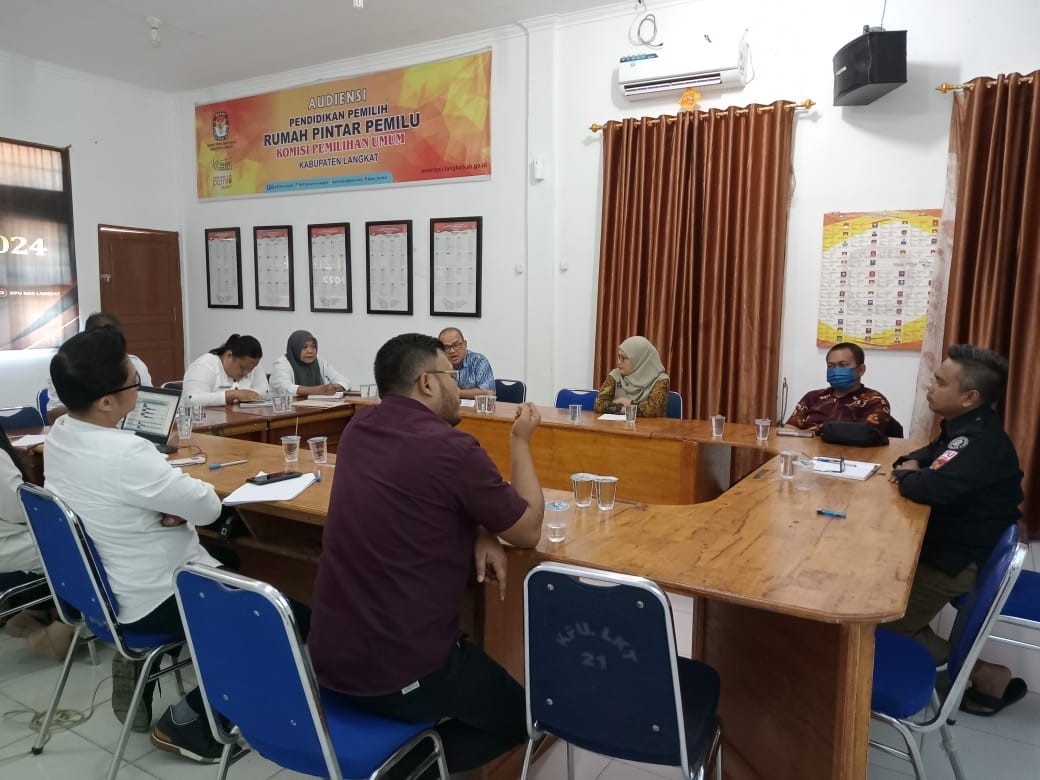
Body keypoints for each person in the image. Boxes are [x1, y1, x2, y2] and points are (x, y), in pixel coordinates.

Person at [308, 333, 545, 776]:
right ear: (428, 383)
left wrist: (480, 527)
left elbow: (423, 499)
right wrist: (521, 441)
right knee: (529, 718)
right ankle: (405, 771)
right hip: (400, 670)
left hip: (327, 656)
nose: (458, 387)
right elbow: (528, 530)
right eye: (452, 376)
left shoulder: (358, 429)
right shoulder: (453, 449)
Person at [45, 326, 230, 762]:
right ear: (106, 402)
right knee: (283, 616)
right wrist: (176, 503)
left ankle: (149, 659)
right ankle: (189, 723)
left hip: (100, 590)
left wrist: (162, 502)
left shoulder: (60, 434)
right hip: (150, 596)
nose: (140, 389)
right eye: (134, 383)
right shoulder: (127, 454)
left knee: (231, 558)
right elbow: (208, 508)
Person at [883, 344, 1026, 716]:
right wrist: (911, 464)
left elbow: (931, 487)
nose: (930, 387)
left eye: (940, 382)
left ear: (969, 397)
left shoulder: (982, 443)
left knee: (880, 623)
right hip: (943, 545)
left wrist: (907, 475)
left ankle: (983, 674)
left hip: (955, 559)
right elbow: (927, 455)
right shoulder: (963, 428)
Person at [0, 428, 74, 659]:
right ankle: (67, 624)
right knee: (82, 546)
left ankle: (38, 611)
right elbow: (20, 510)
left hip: (9, 539)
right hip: (9, 545)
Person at [46, 312, 152, 423]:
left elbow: (151, 402)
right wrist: (87, 407)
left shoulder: (132, 364)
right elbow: (53, 414)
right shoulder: (68, 367)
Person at [784, 342, 891, 434]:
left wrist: (822, 431)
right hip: (807, 451)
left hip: (851, 452)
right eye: (831, 366)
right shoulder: (812, 397)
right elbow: (789, 429)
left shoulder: (874, 401)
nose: (836, 370)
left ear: (861, 370)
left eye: (843, 365)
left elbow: (868, 434)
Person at [182, 333, 268, 406]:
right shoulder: (204, 365)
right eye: (242, 368)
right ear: (229, 355)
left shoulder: (250, 364)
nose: (247, 373)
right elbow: (191, 399)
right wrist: (233, 395)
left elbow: (265, 391)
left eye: (251, 369)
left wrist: (243, 395)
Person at [594, 336, 670, 417]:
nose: (619, 362)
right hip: (618, 424)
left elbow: (653, 410)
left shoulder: (661, 380)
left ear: (639, 359)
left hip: (651, 425)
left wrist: (625, 401)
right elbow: (599, 404)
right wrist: (623, 409)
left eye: (623, 358)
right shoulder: (615, 375)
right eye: (618, 356)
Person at [269, 329, 350, 397]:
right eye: (305, 347)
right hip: (284, 409)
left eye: (313, 346)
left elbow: (345, 381)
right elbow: (285, 389)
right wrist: (318, 390)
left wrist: (333, 387)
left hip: (314, 407)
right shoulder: (281, 365)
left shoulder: (320, 362)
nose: (310, 351)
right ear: (295, 348)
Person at [438, 327, 495, 400]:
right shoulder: (437, 364)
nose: (452, 351)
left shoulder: (479, 361)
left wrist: (456, 392)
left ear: (465, 344)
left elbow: (489, 393)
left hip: (475, 407)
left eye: (456, 345)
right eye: (446, 347)